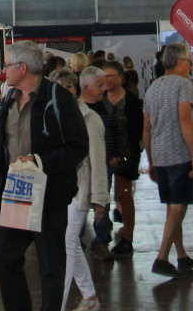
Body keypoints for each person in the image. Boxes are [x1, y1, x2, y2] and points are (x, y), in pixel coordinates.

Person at [0, 40, 90, 311]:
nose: (3, 70)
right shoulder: (8, 100)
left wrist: (40, 161)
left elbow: (79, 146)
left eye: (7, 65)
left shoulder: (58, 98)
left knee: (50, 265)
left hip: (49, 193)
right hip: (16, 191)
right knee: (5, 256)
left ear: (22, 68)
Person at [50, 69, 109, 311]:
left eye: (68, 88)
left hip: (80, 192)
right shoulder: (52, 116)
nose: (64, 93)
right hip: (60, 191)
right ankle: (90, 298)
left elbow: (98, 160)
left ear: (76, 90)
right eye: (59, 88)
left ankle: (58, 306)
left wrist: (99, 200)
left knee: (65, 246)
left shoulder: (89, 119)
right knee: (70, 243)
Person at [141, 42, 193, 278]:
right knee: (178, 207)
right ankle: (162, 257)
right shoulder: (184, 85)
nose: (190, 66)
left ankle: (182, 254)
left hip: (160, 154)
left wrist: (150, 158)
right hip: (179, 153)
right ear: (179, 63)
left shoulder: (153, 88)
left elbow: (146, 128)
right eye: (189, 61)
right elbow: (185, 119)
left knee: (172, 208)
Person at [100, 58, 142, 258]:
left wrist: (133, 154)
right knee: (102, 197)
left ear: (121, 78)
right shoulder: (100, 100)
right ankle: (103, 233)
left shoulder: (132, 102)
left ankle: (127, 237)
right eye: (104, 76)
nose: (106, 80)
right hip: (103, 158)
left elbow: (138, 130)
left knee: (125, 196)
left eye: (110, 76)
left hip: (126, 156)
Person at [79, 64, 116, 260]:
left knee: (103, 203)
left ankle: (101, 242)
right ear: (86, 88)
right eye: (100, 85)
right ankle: (76, 243)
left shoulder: (107, 106)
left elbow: (116, 129)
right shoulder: (77, 111)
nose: (104, 88)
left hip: (105, 164)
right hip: (81, 169)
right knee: (79, 206)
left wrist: (116, 153)